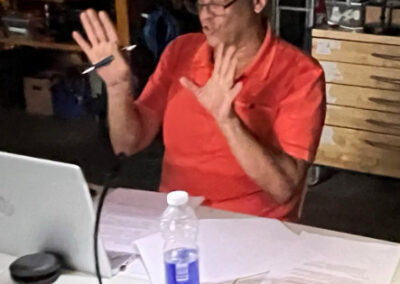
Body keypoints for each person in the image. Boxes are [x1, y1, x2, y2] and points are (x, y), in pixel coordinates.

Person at [72, 0, 326, 221]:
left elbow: (284, 189)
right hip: (177, 217)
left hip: (252, 225)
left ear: (257, 3)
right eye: (201, 4)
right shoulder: (180, 51)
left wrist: (227, 121)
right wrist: (118, 87)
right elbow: (127, 145)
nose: (206, 15)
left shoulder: (300, 74)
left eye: (217, 3)